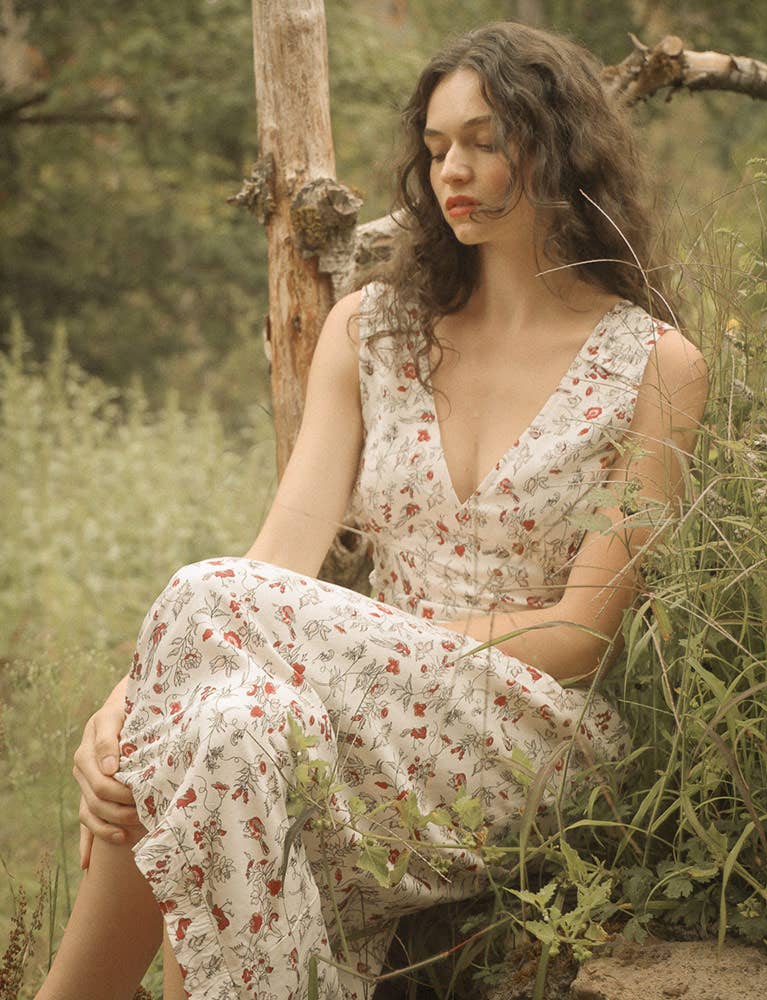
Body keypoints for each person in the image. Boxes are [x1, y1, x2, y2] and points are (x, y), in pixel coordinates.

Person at [37, 21, 708, 1000]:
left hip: (530, 735)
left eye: (484, 139)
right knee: (221, 729)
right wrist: (124, 709)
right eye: (436, 149)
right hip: (354, 716)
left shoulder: (655, 363)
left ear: (559, 143)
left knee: (206, 607)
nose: (453, 171)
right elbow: (278, 560)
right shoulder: (372, 329)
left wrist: (373, 647)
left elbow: (581, 632)